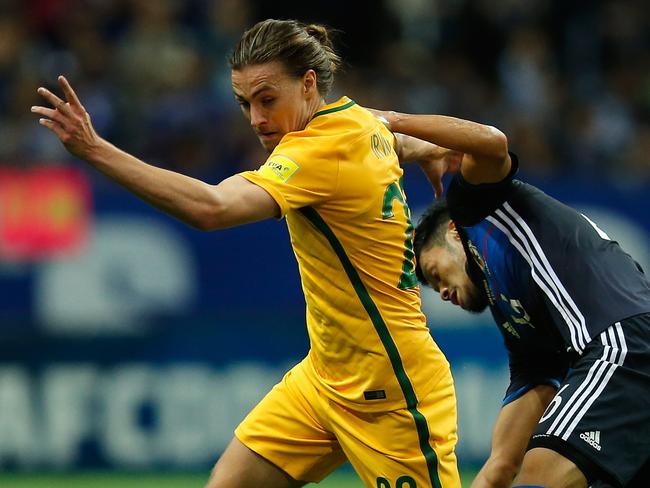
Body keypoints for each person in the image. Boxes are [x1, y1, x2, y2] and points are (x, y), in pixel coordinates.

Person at [32, 19, 462, 488]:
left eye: (267, 99)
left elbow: (211, 208)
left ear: (309, 84)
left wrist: (95, 150)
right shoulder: (357, 119)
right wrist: (426, 148)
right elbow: (391, 139)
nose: (257, 119)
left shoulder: (317, 151)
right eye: (244, 103)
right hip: (325, 378)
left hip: (392, 388)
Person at [368, 109, 650, 488]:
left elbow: (491, 142)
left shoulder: (475, 212)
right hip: (629, 352)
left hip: (620, 344)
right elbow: (502, 464)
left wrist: (392, 124)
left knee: (542, 474)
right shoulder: (523, 325)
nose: (443, 292)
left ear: (452, 232)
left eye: (435, 274)